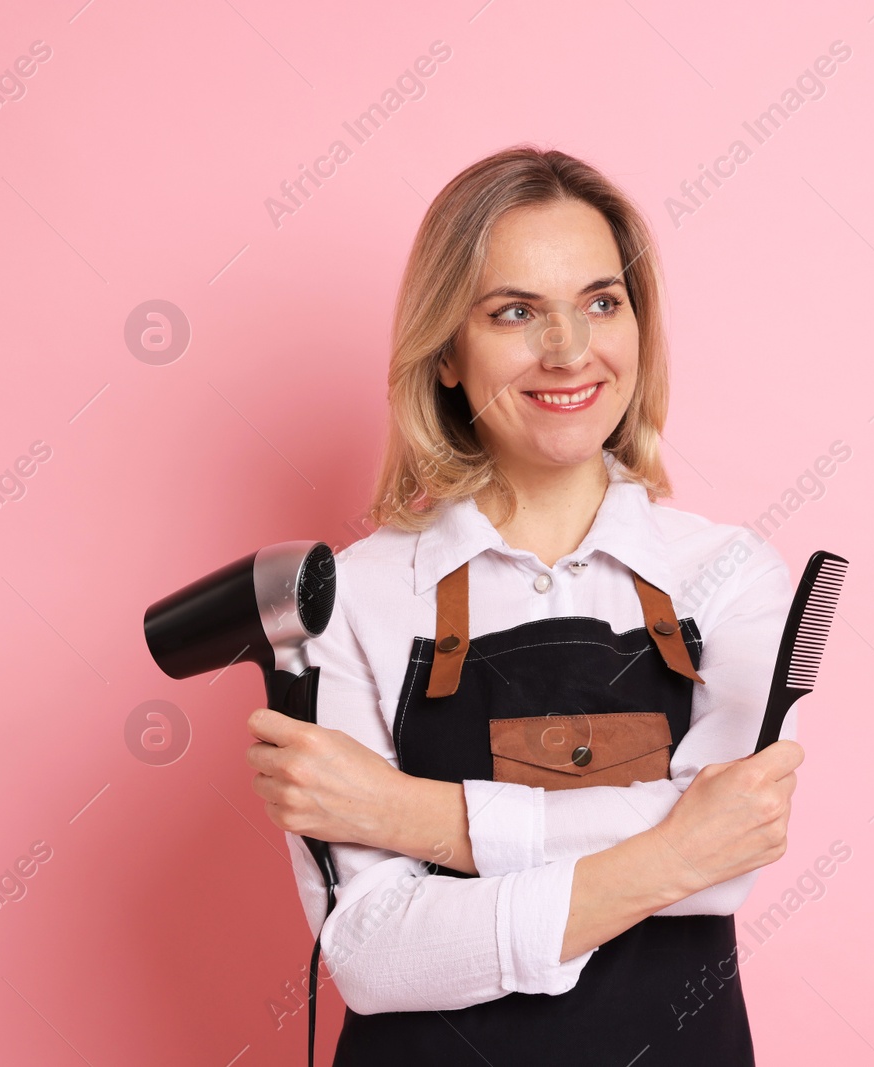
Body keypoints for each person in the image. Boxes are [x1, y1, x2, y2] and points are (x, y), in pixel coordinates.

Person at [241, 145, 805, 1065]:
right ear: (448, 355)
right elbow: (378, 957)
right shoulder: (352, 601)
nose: (571, 351)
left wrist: (408, 814)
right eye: (515, 312)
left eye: (600, 301)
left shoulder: (729, 573)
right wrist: (670, 847)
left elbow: (731, 853)